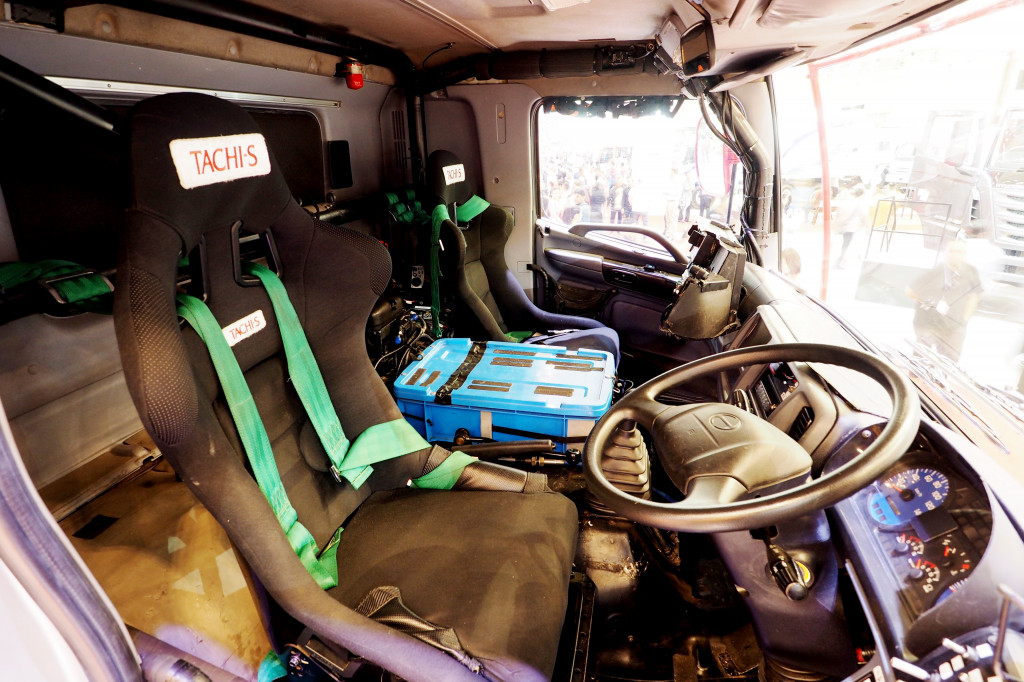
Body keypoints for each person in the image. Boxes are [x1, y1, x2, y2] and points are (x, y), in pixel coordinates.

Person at [905, 239, 982, 362]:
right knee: (920, 360)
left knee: (949, 363)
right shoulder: (935, 270)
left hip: (954, 326)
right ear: (945, 253)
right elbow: (910, 291)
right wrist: (932, 303)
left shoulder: (970, 272)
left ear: (965, 254)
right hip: (929, 323)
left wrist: (964, 319)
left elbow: (974, 296)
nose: (955, 254)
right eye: (951, 251)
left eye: (960, 251)